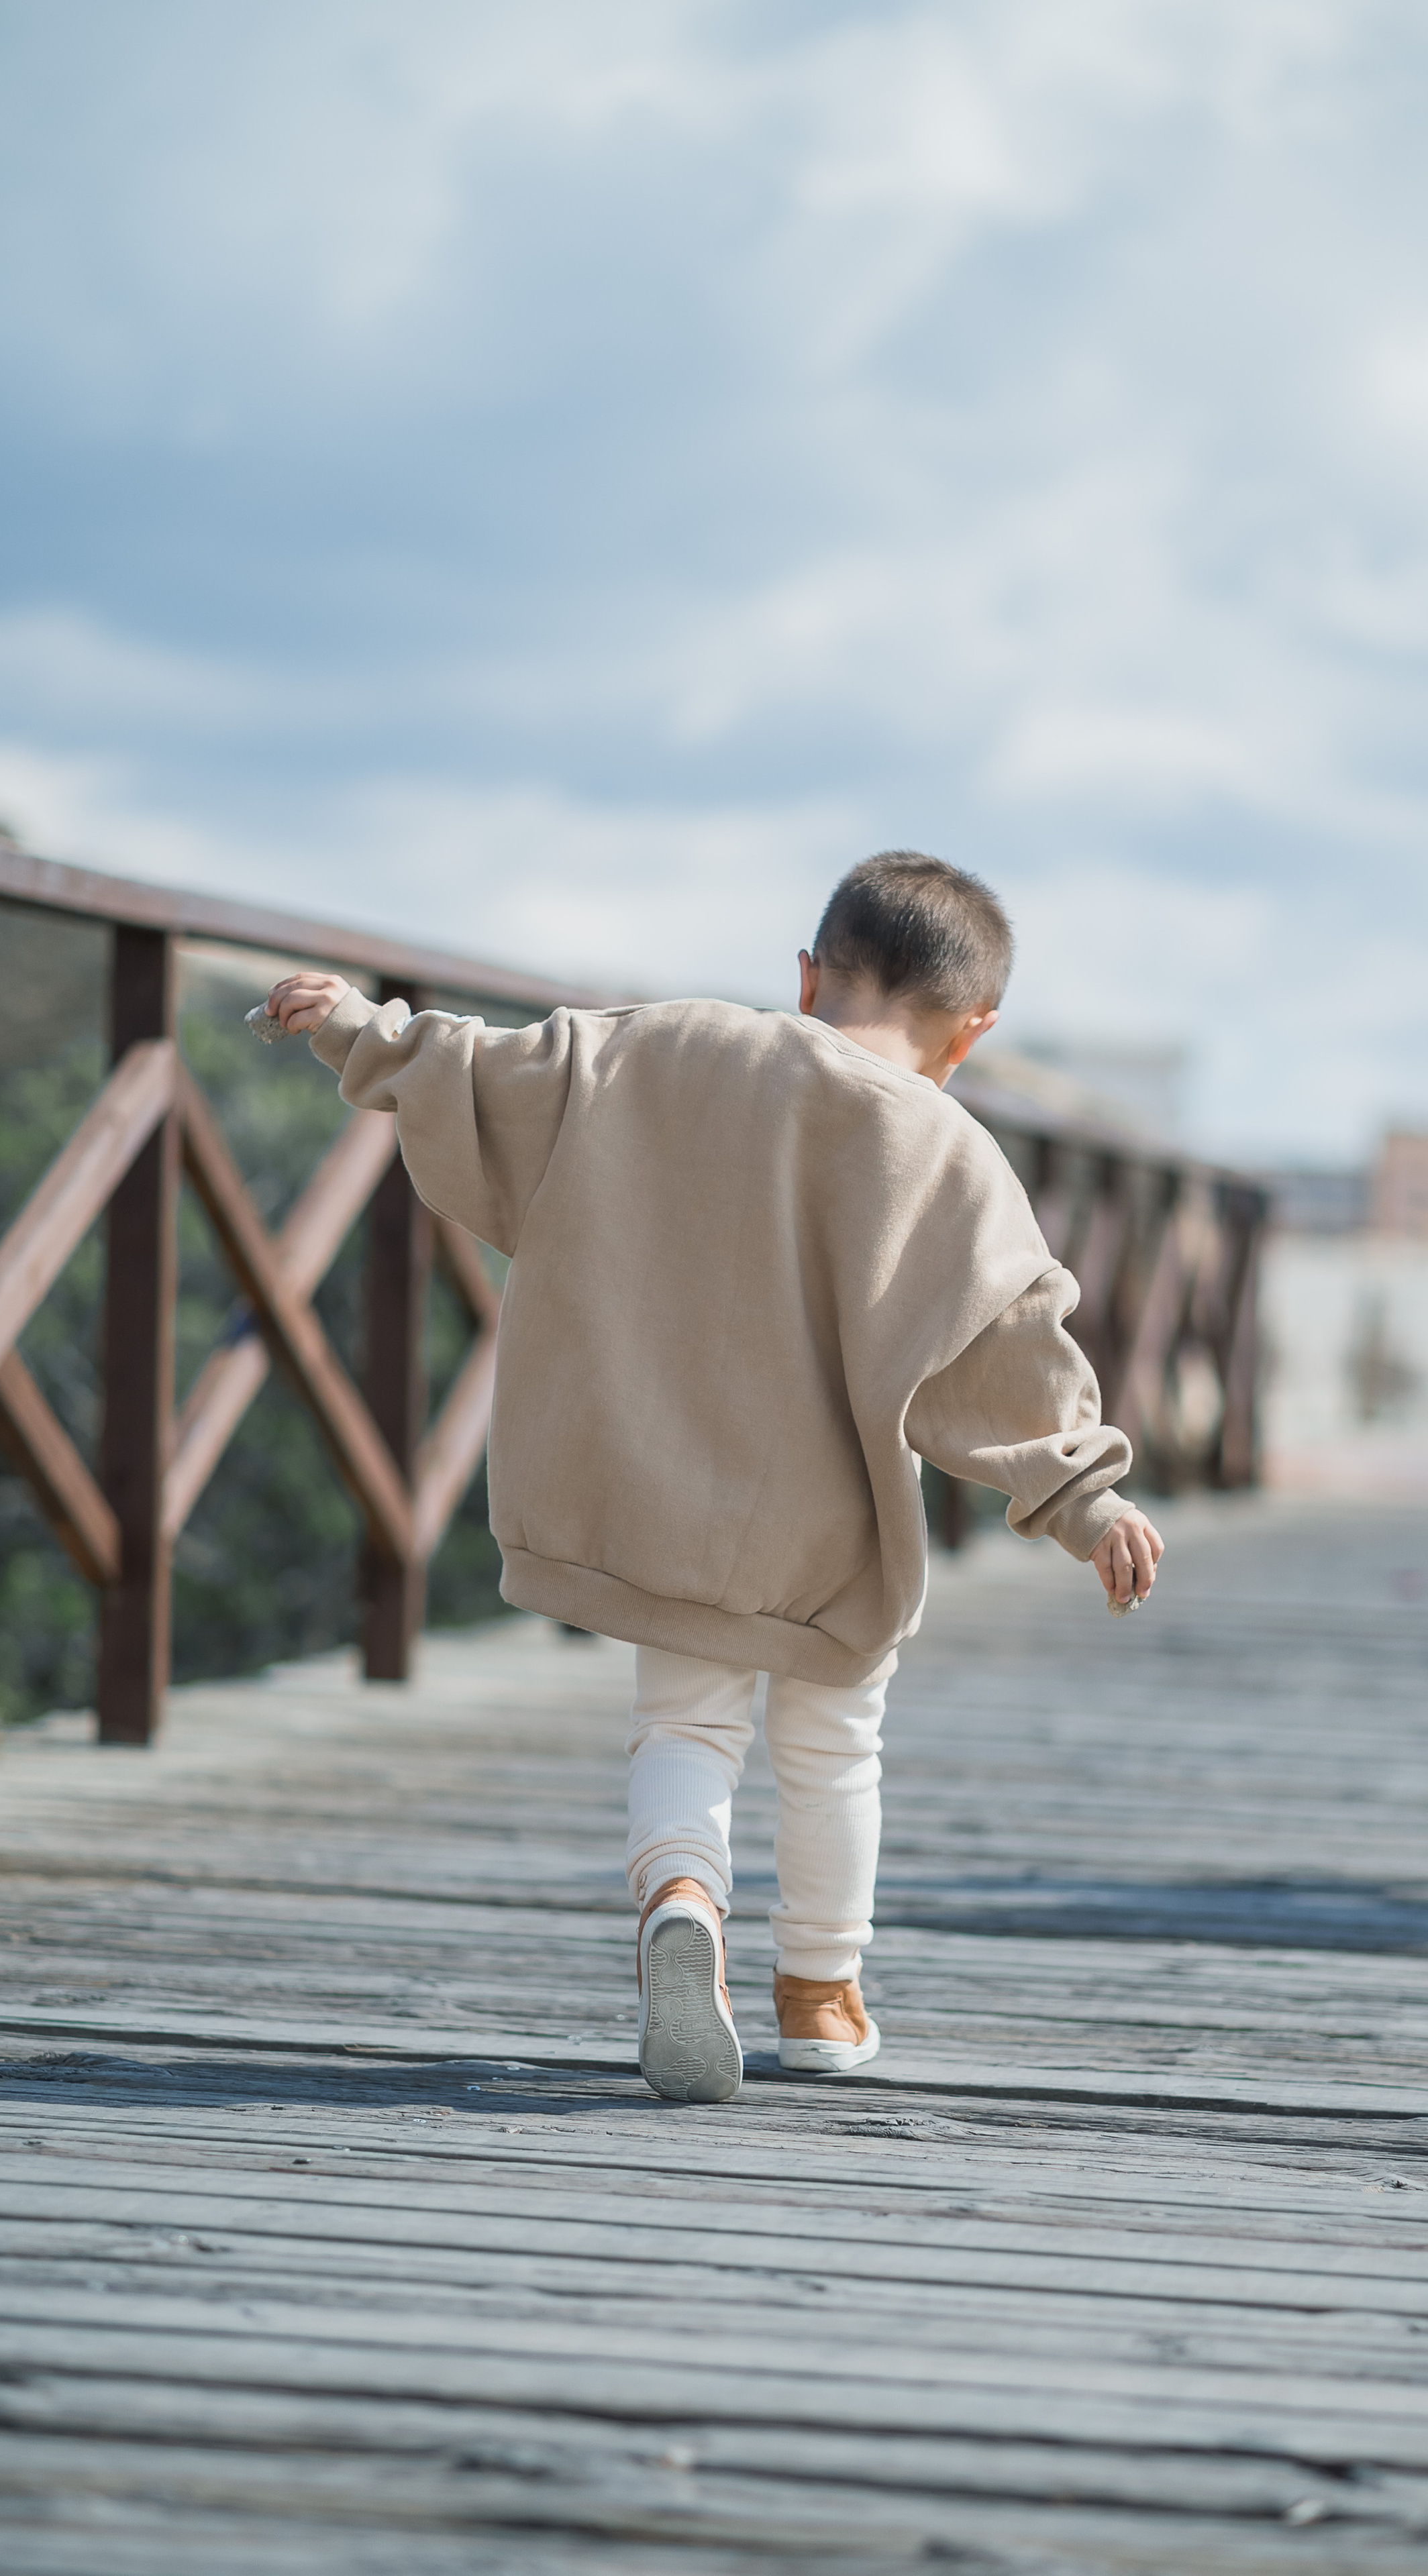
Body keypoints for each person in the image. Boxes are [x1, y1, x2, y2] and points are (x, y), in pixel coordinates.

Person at [262, 852, 1162, 2105]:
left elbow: (486, 1073)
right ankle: (822, 1997)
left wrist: (361, 1031)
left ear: (806, 977)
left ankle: (682, 1895)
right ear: (971, 1032)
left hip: (657, 1491)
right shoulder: (952, 1153)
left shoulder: (659, 1048)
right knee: (835, 1745)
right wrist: (1087, 1496)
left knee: (684, 1724)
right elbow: (1007, 1338)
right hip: (828, 1527)